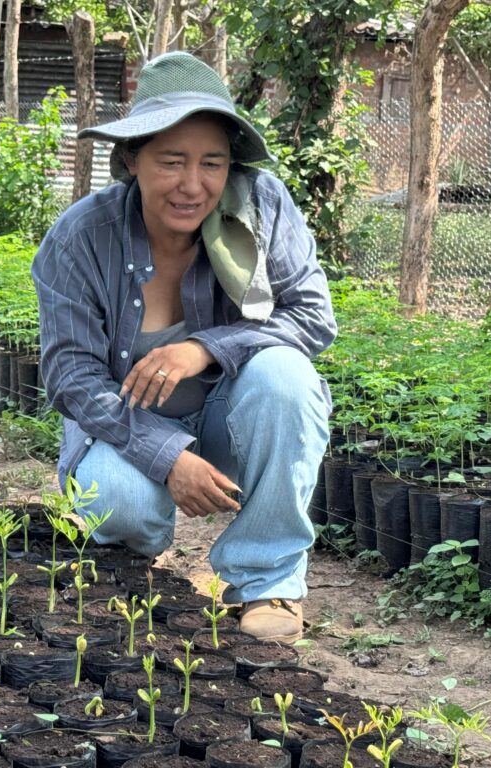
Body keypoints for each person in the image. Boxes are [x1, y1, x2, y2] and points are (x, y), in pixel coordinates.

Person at [32, 52, 336, 642]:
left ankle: (267, 581)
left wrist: (204, 346)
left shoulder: (261, 206)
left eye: (211, 163)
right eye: (171, 161)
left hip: (233, 415)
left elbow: (314, 318)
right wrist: (166, 454)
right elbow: (71, 377)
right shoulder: (80, 238)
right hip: (128, 424)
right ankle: (129, 548)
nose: (192, 185)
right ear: (131, 159)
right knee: (122, 502)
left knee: (287, 377)